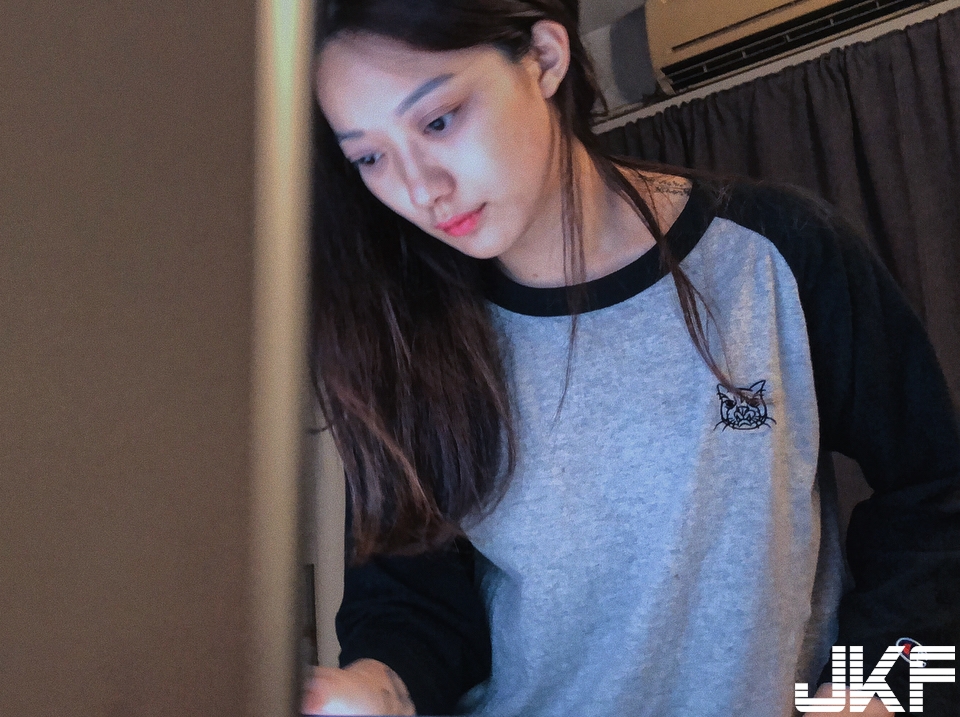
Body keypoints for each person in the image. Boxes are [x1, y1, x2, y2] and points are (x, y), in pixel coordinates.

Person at [302, 1, 960, 715]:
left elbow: (936, 496)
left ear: (544, 57)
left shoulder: (782, 252)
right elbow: (411, 603)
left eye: (438, 121)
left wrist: (877, 691)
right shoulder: (403, 338)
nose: (420, 189)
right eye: (369, 157)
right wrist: (375, 689)